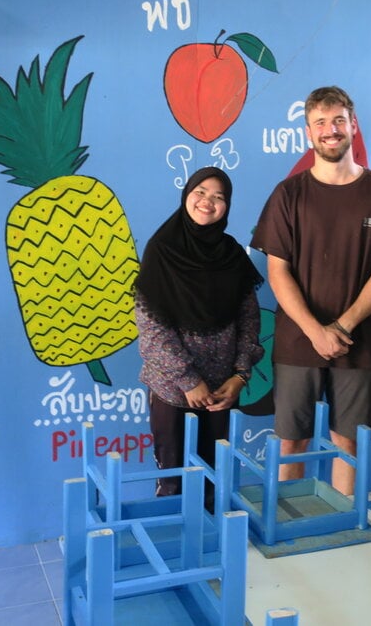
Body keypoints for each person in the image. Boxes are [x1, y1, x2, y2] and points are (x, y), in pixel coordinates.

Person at [250, 86, 371, 495]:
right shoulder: (288, 194)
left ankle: (345, 521)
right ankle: (283, 527)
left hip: (358, 339)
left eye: (338, 121)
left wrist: (342, 325)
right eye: (320, 123)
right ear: (308, 132)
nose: (330, 130)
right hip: (298, 339)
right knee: (292, 441)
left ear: (353, 126)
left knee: (349, 442)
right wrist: (314, 330)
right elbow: (278, 272)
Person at [136, 166, 264, 499]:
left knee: (216, 478)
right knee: (174, 480)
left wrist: (239, 377)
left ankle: (217, 546)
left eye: (219, 197)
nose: (208, 202)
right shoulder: (162, 250)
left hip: (222, 393)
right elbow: (152, 329)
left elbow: (249, 320)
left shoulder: (232, 254)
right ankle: (175, 547)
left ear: (227, 206)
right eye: (201, 192)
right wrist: (189, 381)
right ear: (186, 195)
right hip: (173, 391)